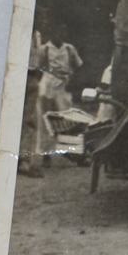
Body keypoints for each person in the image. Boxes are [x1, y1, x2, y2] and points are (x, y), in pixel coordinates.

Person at [37, 28, 83, 165]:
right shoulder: (44, 49)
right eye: (56, 32)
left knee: (66, 120)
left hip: (63, 88)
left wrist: (71, 78)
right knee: (45, 121)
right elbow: (41, 67)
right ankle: (46, 154)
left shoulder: (69, 49)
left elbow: (78, 66)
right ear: (51, 34)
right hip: (47, 87)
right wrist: (54, 72)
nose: (59, 35)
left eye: (62, 32)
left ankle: (72, 153)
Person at [17, 31, 46, 177]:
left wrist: (36, 77)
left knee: (29, 120)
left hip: (32, 78)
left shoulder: (37, 36)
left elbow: (40, 60)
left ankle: (24, 160)